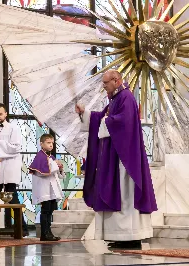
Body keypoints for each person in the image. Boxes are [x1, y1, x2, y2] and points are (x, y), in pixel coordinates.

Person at [76, 69, 157, 249]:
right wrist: (86, 114)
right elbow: (102, 117)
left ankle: (131, 235)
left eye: (105, 83)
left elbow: (123, 122)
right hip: (116, 154)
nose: (104, 87)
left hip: (125, 158)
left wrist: (106, 121)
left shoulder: (126, 97)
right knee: (118, 193)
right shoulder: (115, 98)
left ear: (116, 80)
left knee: (126, 194)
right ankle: (120, 236)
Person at [0, 103, 29, 237]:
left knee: (13, 198)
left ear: (6, 114)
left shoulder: (13, 129)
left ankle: (22, 228)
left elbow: (16, 148)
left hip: (9, 167)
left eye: (0, 114)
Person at [29, 134, 65, 241]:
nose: (51, 145)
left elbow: (59, 175)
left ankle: (49, 232)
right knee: (45, 211)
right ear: (41, 144)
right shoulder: (40, 156)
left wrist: (60, 167)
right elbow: (41, 172)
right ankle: (44, 234)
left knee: (50, 211)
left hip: (52, 189)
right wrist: (55, 164)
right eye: (48, 143)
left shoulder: (50, 157)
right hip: (44, 189)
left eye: (52, 143)